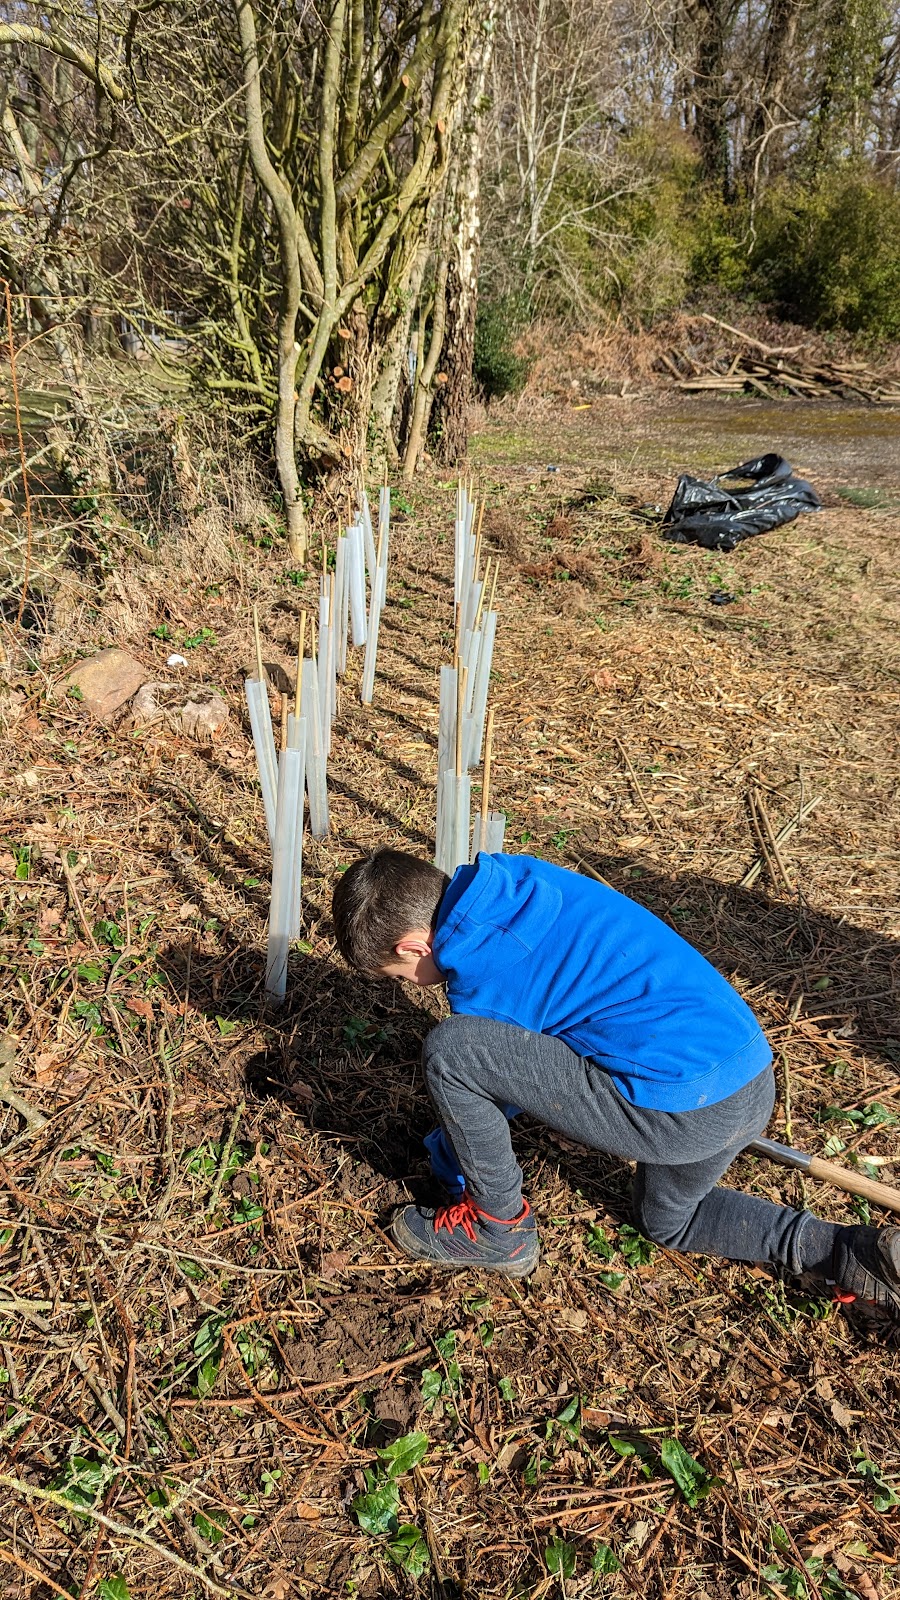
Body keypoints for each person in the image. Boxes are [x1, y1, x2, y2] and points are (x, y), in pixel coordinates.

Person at [331, 848, 900, 1318]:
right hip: (745, 1074)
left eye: (402, 975)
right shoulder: (518, 881)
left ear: (413, 946)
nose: (415, 983)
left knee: (453, 1053)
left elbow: (496, 1082)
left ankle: (497, 1227)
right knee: (668, 1222)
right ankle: (843, 1252)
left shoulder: (484, 970)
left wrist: (451, 1164)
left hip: (681, 1109)